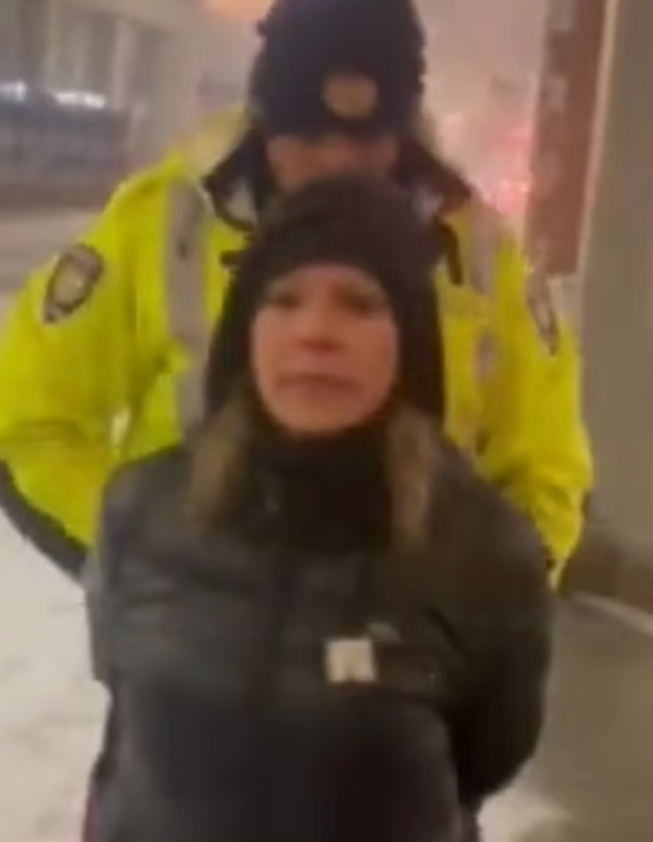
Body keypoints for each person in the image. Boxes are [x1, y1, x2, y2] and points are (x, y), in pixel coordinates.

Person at [0, 0, 591, 586]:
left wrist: (465, 607)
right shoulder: (165, 221)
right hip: (199, 635)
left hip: (412, 638)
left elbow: (547, 475)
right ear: (267, 120)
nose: (339, 163)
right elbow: (22, 426)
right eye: (310, 138)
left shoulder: (480, 255)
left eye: (368, 141)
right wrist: (156, 574)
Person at [83, 173, 553, 842]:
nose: (315, 332)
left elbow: (489, 755)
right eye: (283, 300)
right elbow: (121, 698)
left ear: (410, 341)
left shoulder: (482, 551)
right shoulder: (143, 509)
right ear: (246, 330)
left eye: (359, 304)